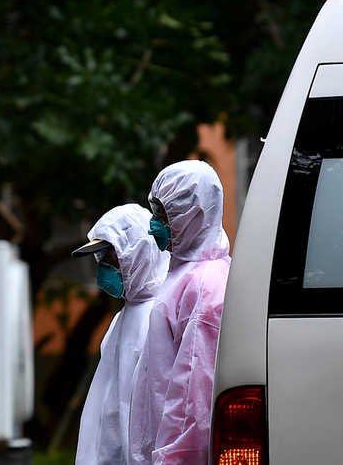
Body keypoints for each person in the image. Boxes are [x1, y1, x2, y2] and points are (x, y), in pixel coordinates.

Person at [128, 160, 232, 465]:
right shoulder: (183, 275)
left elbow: (193, 397)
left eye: (162, 214)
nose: (152, 225)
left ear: (192, 214)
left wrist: (173, 458)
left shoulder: (204, 284)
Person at [70, 203, 170, 465]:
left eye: (111, 256)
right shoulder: (122, 318)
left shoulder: (160, 315)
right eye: (101, 259)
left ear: (137, 251)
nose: (104, 266)